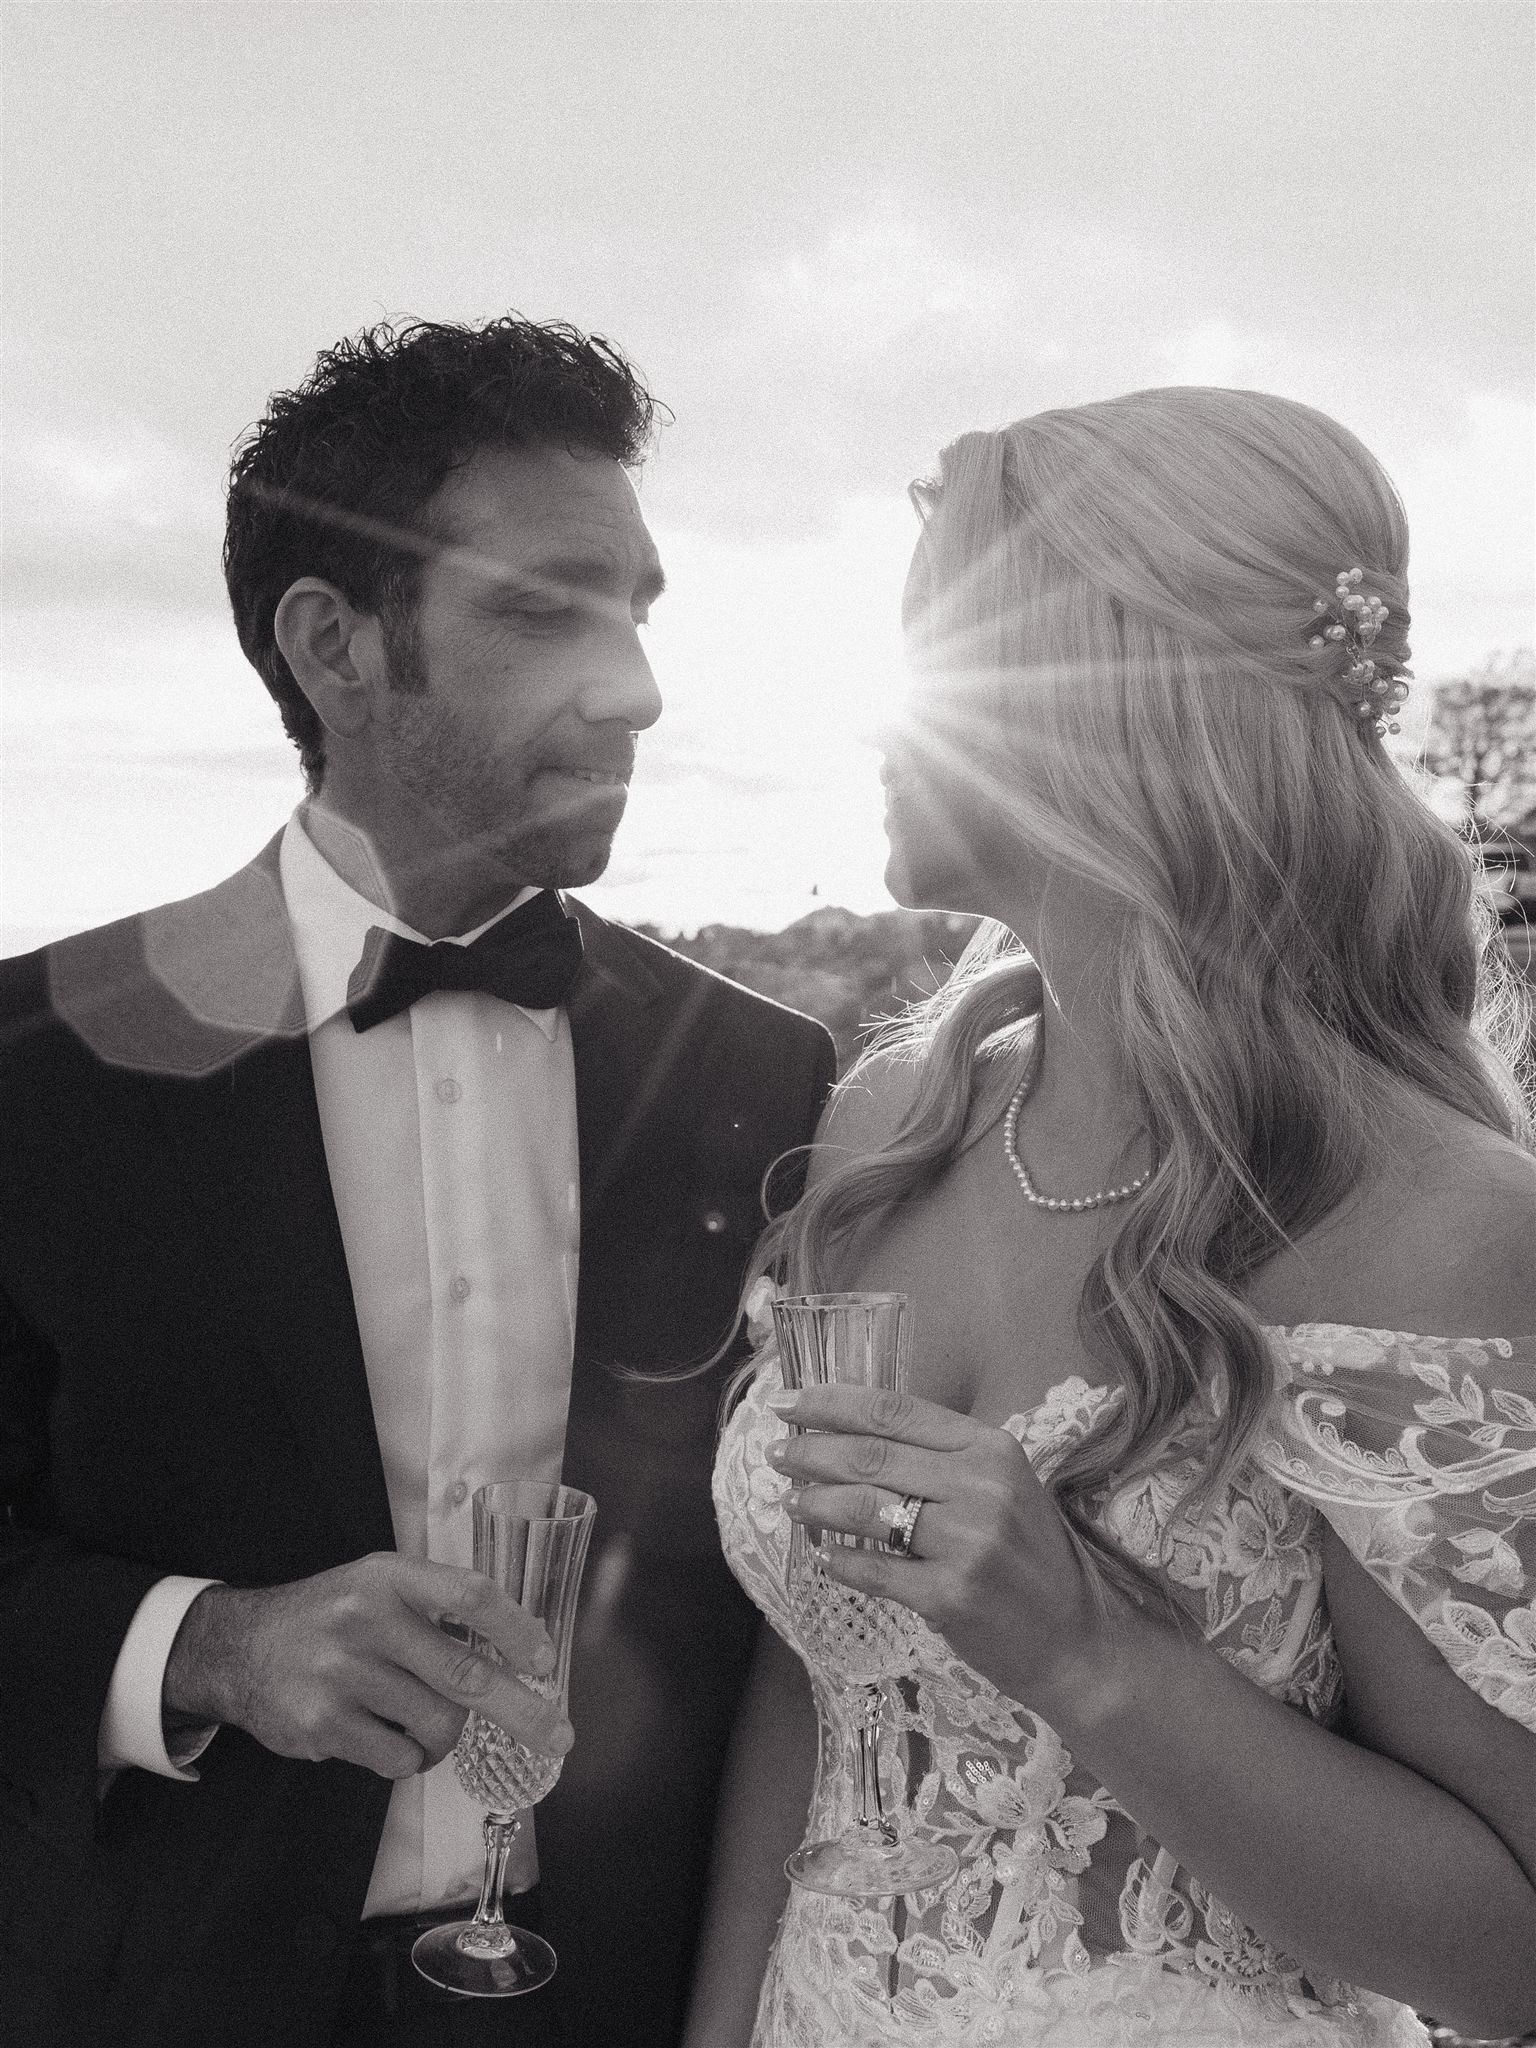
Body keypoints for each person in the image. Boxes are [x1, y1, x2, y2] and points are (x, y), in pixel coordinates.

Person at [0, 316, 835, 2048]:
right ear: (335, 646)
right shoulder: (35, 1069)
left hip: (627, 1996)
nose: (636, 685)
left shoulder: (762, 1080)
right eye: (545, 608)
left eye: (641, 609)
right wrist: (211, 1647)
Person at [690, 388, 1536, 2047]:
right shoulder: (890, 1131)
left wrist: (1083, 1647)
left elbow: (1513, 1958)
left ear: (1101, 714)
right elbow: (816, 1681)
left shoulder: (1427, 1224)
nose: (882, 718)